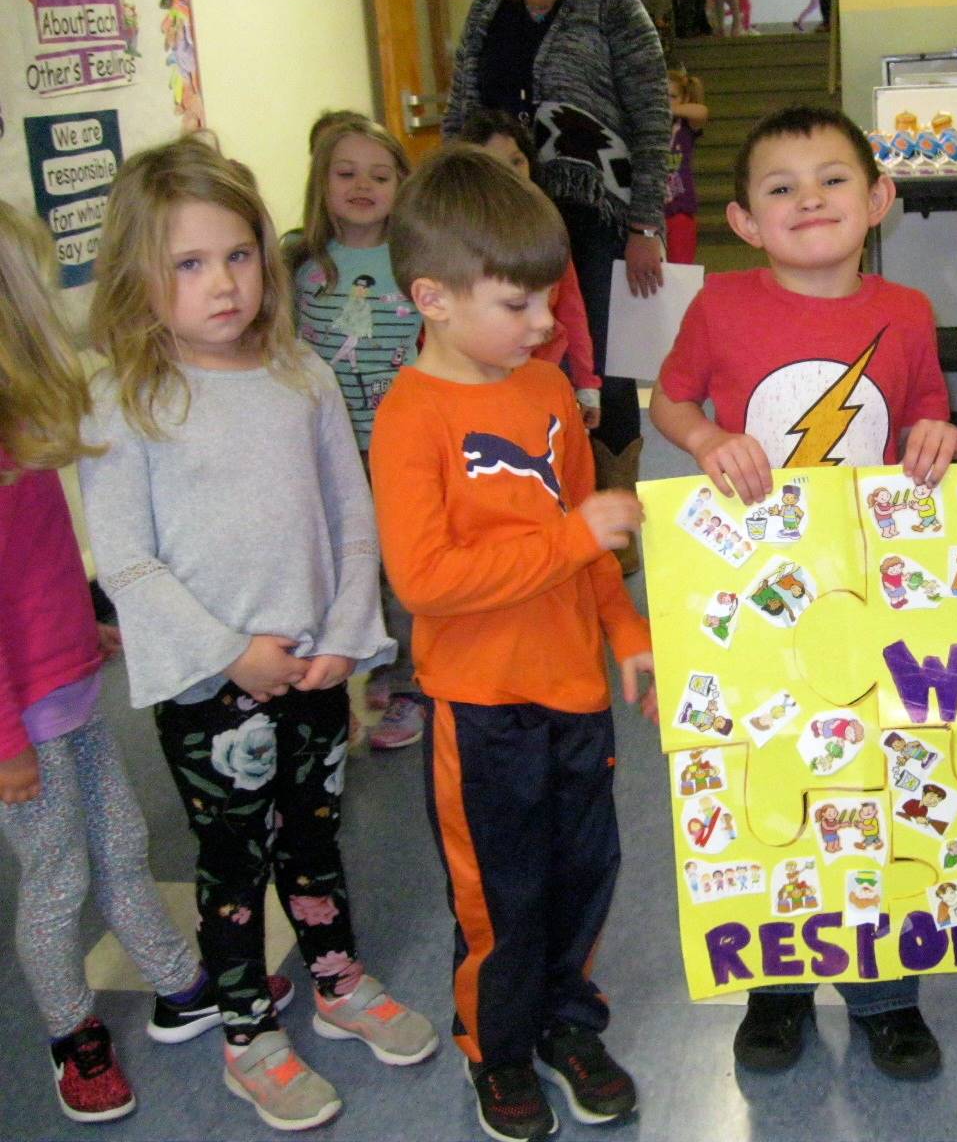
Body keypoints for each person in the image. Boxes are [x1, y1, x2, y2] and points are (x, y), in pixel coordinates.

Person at [77, 135, 438, 1132]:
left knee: (315, 840)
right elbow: (130, 564)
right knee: (233, 862)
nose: (222, 283)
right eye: (188, 265)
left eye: (238, 255)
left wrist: (346, 638)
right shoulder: (125, 400)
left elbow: (348, 512)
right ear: (140, 279)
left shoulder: (302, 375)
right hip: (211, 682)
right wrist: (233, 652)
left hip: (315, 663)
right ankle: (245, 1029)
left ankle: (335, 976)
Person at [651, 104, 957, 1079]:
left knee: (875, 785)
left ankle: (885, 993)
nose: (808, 200)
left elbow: (926, 415)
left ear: (879, 198)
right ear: (745, 221)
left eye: (833, 178)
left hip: (874, 591)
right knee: (772, 777)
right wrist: (707, 439)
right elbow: (667, 399)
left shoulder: (907, 311)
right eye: (779, 188)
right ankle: (776, 983)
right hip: (756, 589)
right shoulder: (718, 308)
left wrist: (938, 443)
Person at [370, 145, 658, 1140]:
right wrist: (574, 536)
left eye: (551, 302)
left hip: (574, 690)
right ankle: (496, 1047)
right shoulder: (411, 419)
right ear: (434, 298)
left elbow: (590, 533)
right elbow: (428, 582)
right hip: (481, 705)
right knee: (501, 890)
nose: (547, 327)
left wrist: (626, 631)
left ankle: (569, 1022)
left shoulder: (541, 391)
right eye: (521, 305)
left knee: (585, 872)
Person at [0, 199, 284, 1124]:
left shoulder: (21, 431)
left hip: (68, 689)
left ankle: (176, 981)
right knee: (57, 878)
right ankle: (72, 1033)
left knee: (122, 842)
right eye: (37, 285)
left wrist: (84, 632)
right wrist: (7, 741)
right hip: (19, 724)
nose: (53, 298)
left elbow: (32, 575)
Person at [443, 0, 670, 577]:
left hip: (594, 217)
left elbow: (652, 117)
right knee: (508, 356)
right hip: (499, 221)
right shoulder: (489, 8)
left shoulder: (612, 3)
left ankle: (614, 531)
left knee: (603, 363)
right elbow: (462, 113)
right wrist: (446, 206)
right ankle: (527, 516)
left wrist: (645, 222)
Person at [286, 115, 425, 751]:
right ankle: (338, 681)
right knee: (338, 567)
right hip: (322, 447)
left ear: (403, 184)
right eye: (346, 173)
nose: (362, 185)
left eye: (380, 174)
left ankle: (402, 681)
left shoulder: (414, 257)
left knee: (397, 566)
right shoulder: (299, 261)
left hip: (398, 443)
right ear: (322, 182)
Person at [458, 107, 604, 429]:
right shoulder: (455, 241)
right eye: (491, 165)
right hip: (483, 384)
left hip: (549, 372)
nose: (508, 174)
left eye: (516, 161)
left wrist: (587, 384)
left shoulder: (546, 228)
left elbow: (571, 309)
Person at [665, 65, 709, 264]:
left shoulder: (684, 125)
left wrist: (670, 109)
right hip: (650, 209)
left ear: (683, 99)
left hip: (679, 207)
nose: (665, 101)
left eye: (672, 96)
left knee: (680, 266)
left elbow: (701, 112)